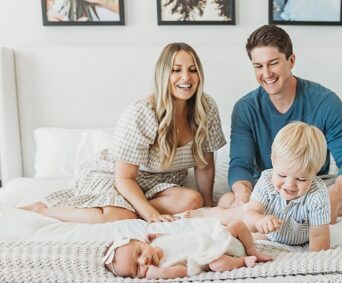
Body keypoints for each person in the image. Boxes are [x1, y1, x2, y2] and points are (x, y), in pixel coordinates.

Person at [21, 42, 226, 223]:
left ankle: (129, 207)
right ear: (163, 75)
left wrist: (208, 208)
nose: (186, 77)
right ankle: (44, 210)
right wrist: (150, 214)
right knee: (122, 216)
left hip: (161, 184)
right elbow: (124, 178)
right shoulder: (142, 113)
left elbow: (205, 165)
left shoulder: (206, 107)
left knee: (193, 200)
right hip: (116, 176)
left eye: (192, 70)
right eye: (176, 70)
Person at [221, 25, 342, 224]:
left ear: (291, 61)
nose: (267, 73)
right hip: (269, 190)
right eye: (258, 66)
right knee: (227, 200)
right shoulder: (245, 108)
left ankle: (301, 213)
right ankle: (293, 215)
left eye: (273, 63)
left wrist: (331, 201)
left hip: (312, 186)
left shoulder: (326, 101)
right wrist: (242, 194)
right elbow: (240, 165)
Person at [188, 122, 334, 251]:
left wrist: (315, 261)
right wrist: (259, 220)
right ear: (273, 161)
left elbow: (319, 236)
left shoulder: (318, 194)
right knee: (229, 217)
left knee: (246, 236)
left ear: (315, 172)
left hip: (290, 235)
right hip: (264, 225)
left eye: (301, 179)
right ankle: (201, 213)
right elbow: (251, 213)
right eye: (282, 175)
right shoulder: (267, 181)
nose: (289, 185)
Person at [104, 219, 272, 279]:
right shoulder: (163, 267)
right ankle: (243, 261)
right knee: (216, 265)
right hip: (216, 255)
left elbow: (174, 239)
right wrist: (161, 275)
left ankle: (253, 251)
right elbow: (182, 271)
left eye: (139, 252)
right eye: (136, 268)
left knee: (237, 224)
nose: (144, 260)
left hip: (217, 239)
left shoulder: (156, 244)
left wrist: (157, 236)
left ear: (142, 242)